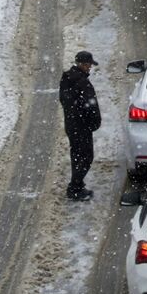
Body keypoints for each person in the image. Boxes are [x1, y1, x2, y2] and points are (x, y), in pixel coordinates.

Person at [58, 50, 101, 201]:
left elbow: (65, 101)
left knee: (77, 155)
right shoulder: (81, 82)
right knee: (86, 157)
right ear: (83, 64)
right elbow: (90, 105)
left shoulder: (67, 78)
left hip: (72, 125)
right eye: (88, 65)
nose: (90, 68)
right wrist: (93, 122)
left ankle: (77, 184)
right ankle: (75, 188)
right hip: (81, 127)